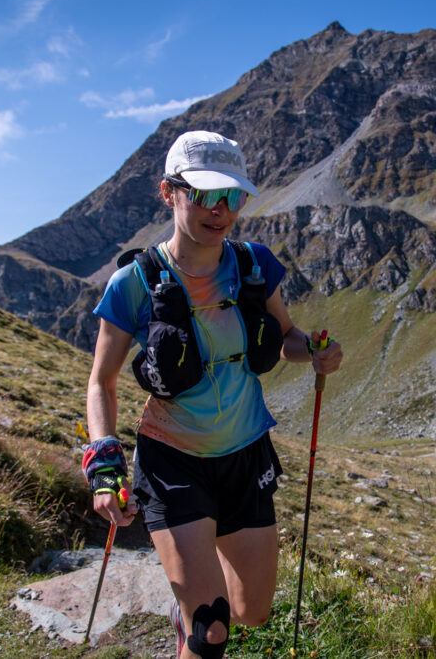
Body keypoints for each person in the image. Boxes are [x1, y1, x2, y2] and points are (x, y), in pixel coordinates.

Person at [82, 130, 343, 659]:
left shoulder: (253, 267)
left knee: (254, 611)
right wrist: (104, 465)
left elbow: (286, 337)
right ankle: (196, 608)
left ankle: (197, 589)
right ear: (168, 192)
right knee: (212, 628)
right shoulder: (133, 282)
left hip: (246, 457)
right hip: (173, 462)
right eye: (203, 194)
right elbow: (100, 382)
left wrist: (315, 350)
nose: (219, 210)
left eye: (232, 196)